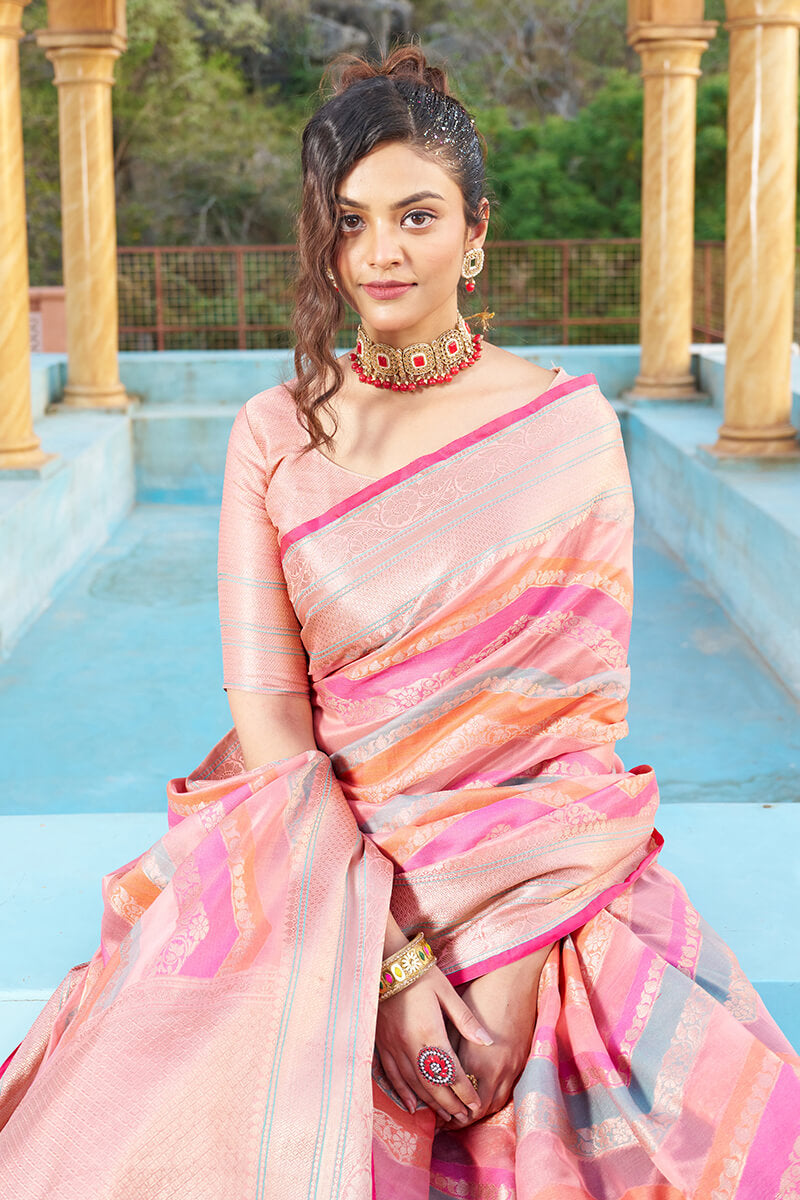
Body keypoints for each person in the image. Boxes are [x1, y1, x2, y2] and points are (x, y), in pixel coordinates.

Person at [1, 46, 798, 1200]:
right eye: (350, 220)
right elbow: (270, 714)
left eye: (415, 216)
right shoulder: (273, 432)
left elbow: (577, 723)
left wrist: (517, 944)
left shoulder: (564, 431)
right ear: (321, 239)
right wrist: (386, 958)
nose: (380, 253)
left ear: (475, 233)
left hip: (532, 867)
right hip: (324, 849)